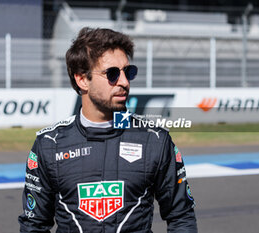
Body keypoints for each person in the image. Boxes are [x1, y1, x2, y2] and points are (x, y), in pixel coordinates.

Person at [18, 27, 197, 233]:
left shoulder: (155, 140)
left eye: (128, 72)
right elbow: (34, 225)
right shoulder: (49, 144)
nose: (124, 82)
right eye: (112, 74)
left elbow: (181, 217)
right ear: (82, 79)